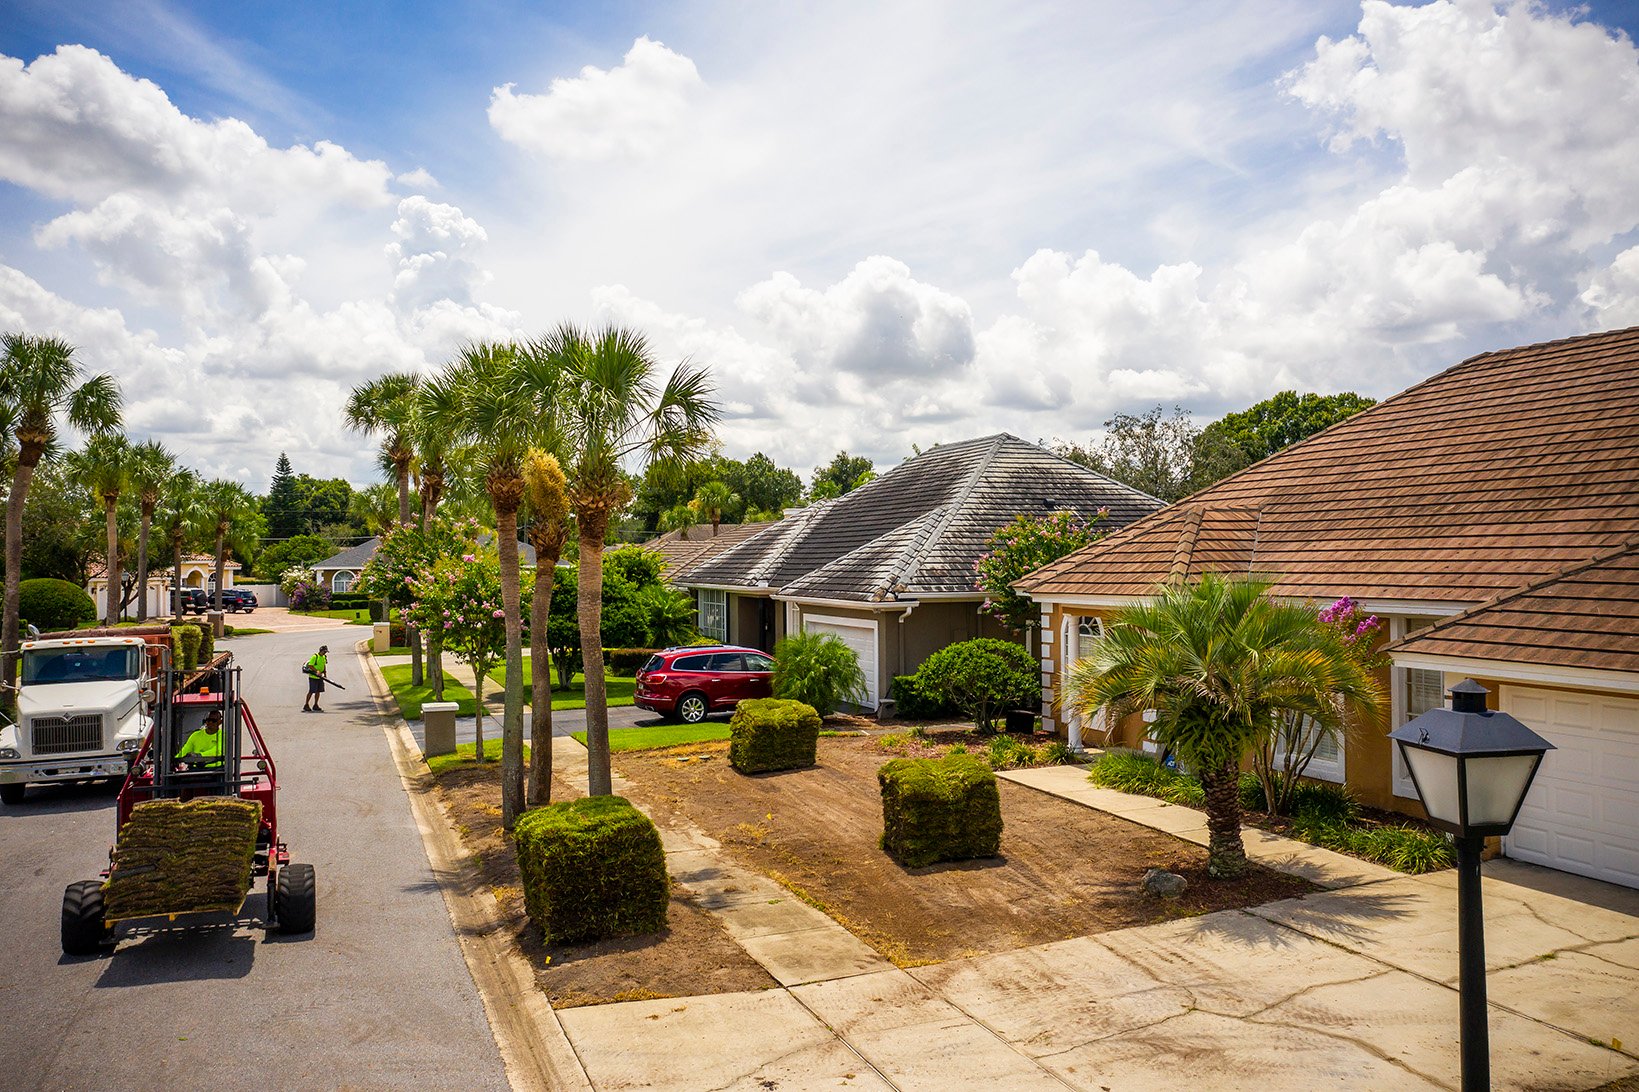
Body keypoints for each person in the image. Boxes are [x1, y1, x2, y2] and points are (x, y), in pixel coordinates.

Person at [303, 644, 329, 712]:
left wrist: (325, 674)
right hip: (313, 677)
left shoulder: (324, 657)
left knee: (318, 691)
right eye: (324, 651)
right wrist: (316, 671)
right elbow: (311, 665)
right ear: (321, 651)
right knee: (311, 691)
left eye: (326, 651)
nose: (325, 652)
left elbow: (324, 665)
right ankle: (306, 705)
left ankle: (315, 705)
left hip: (320, 677)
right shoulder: (315, 657)